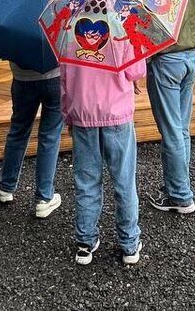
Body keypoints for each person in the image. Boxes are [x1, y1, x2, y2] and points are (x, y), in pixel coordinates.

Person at [62, 50, 147, 265]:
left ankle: (85, 243)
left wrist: (68, 116)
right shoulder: (122, 33)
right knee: (124, 180)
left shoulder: (68, 35)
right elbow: (137, 70)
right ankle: (129, 243)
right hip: (117, 113)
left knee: (86, 182)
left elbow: (64, 80)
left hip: (83, 114)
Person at [144, 0, 195, 214]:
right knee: (181, 129)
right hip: (191, 58)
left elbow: (151, 23)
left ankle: (180, 196)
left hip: (166, 61)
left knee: (171, 132)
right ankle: (176, 187)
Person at [0, 61, 63, 218]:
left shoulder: (14, 40)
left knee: (18, 132)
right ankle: (44, 198)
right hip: (55, 77)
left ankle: (6, 188)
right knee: (50, 137)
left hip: (22, 79)